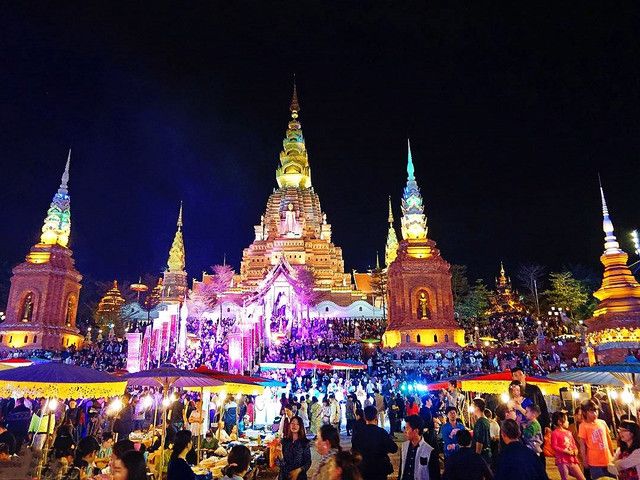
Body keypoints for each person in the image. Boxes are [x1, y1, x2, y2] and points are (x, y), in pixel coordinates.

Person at [351, 405, 398, 480]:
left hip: (363, 469)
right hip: (379, 470)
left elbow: (354, 450)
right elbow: (394, 448)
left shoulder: (358, 433)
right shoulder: (381, 432)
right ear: (376, 417)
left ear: (364, 417)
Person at [578, 399, 614, 480]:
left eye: (596, 411)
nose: (595, 414)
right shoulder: (583, 426)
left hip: (608, 459)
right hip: (594, 462)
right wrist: (584, 461)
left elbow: (608, 440)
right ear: (584, 413)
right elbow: (582, 445)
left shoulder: (602, 422)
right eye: (591, 412)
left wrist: (612, 455)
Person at [397, 414, 439, 480]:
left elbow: (435, 476)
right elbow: (401, 470)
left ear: (416, 431)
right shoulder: (404, 446)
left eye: (407, 428)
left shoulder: (429, 451)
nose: (404, 431)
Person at [550, 411, 585, 480]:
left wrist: (576, 450)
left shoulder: (569, 432)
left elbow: (573, 443)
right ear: (559, 422)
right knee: (565, 478)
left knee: (581, 477)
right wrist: (565, 451)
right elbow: (554, 446)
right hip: (562, 460)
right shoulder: (555, 433)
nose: (568, 422)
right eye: (566, 420)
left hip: (572, 459)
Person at [278, 415, 311, 480]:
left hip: (299, 476)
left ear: (300, 426)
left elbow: (308, 462)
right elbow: (278, 463)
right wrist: (280, 456)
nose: (294, 426)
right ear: (289, 425)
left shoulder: (304, 443)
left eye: (297, 424)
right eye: (292, 423)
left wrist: (298, 470)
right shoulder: (284, 441)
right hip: (284, 476)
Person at [471, 398, 492, 465]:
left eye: (473, 406)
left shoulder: (480, 422)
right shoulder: (486, 420)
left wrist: (476, 457)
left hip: (482, 456)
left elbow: (479, 441)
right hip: (487, 453)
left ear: (477, 408)